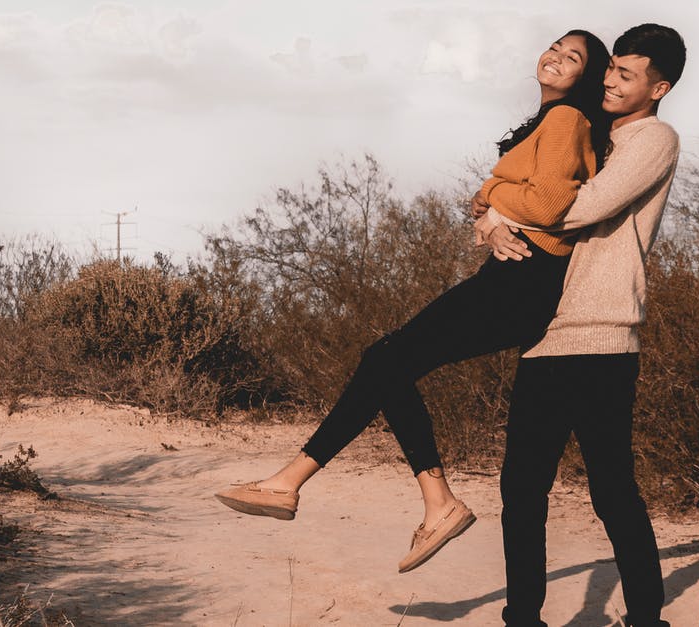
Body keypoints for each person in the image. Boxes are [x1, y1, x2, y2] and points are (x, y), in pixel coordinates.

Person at [215, 29, 612, 575]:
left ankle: (298, 485)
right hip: (512, 275)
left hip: (526, 279)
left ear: (585, 78)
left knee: (386, 359)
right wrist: (486, 214)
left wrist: (488, 198)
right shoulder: (547, 121)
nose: (557, 58)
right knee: (387, 361)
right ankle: (423, 503)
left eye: (574, 58)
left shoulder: (568, 119)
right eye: (555, 47)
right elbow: (511, 203)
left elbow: (547, 204)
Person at [474, 23, 685, 627]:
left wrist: (496, 204)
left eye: (626, 73)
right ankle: (524, 619)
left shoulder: (654, 138)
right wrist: (489, 217)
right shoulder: (588, 130)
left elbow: (572, 208)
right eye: (610, 67)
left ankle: (647, 619)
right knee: (520, 490)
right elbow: (520, 192)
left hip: (602, 334)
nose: (610, 80)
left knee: (612, 493)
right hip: (545, 331)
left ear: (659, 87)